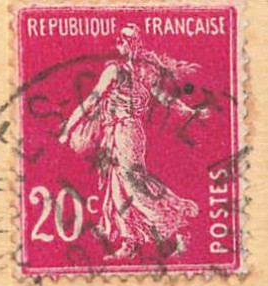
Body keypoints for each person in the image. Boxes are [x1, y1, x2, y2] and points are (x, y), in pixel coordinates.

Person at [56, 25, 209, 259]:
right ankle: (130, 241)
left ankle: (178, 228)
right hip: (127, 132)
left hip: (124, 132)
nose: (122, 43)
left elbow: (91, 101)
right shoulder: (142, 74)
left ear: (127, 45)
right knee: (118, 186)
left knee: (132, 185)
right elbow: (167, 100)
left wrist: (68, 128)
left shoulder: (116, 71)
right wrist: (191, 111)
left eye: (125, 40)